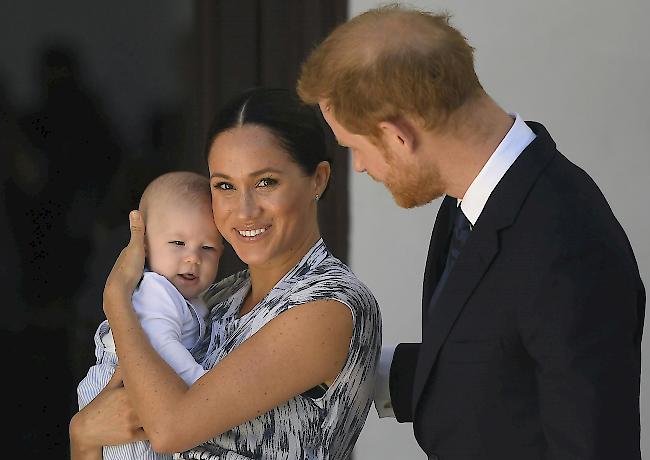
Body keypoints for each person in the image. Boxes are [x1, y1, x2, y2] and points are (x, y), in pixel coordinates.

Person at [297, 5, 645, 460]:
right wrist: (341, 366)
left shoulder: (569, 245)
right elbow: (495, 365)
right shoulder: (476, 198)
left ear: (398, 135)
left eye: (355, 148)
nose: (359, 166)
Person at [69, 87, 382, 460]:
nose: (244, 210)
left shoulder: (328, 304)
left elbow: (170, 429)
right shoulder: (217, 298)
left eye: (266, 182)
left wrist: (117, 301)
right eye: (225, 186)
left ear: (318, 179)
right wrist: (83, 435)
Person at [76, 171, 223, 459]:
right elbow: (162, 346)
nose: (193, 257)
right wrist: (204, 389)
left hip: (142, 393)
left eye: (207, 248)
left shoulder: (194, 299)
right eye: (178, 244)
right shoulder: (157, 290)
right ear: (144, 246)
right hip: (121, 392)